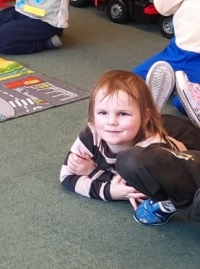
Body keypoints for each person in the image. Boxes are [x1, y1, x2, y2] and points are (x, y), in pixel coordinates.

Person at [60, 68, 200, 225]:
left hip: (185, 141)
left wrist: (94, 173)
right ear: (93, 115)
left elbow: (145, 190)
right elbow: (66, 175)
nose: (111, 122)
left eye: (122, 114)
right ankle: (148, 115)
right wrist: (111, 190)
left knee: (138, 160)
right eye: (102, 113)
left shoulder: (152, 146)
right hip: (151, 129)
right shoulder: (91, 131)